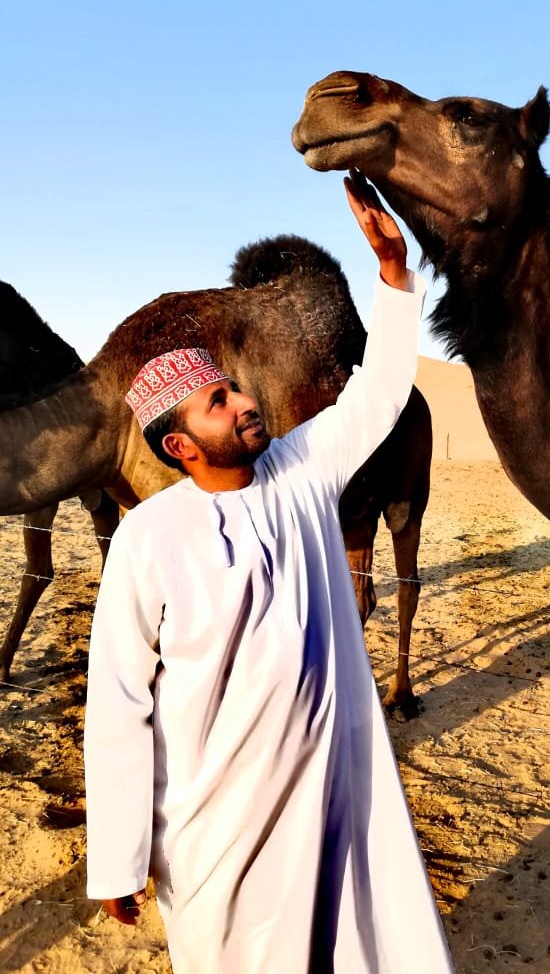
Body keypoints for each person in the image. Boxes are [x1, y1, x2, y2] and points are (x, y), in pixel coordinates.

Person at [84, 170, 456, 974]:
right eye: (217, 403)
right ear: (179, 446)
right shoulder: (148, 538)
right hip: (215, 825)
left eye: (233, 389)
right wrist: (117, 856)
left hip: (330, 794)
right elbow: (116, 701)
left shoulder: (301, 472)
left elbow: (381, 393)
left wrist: (393, 277)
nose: (242, 403)